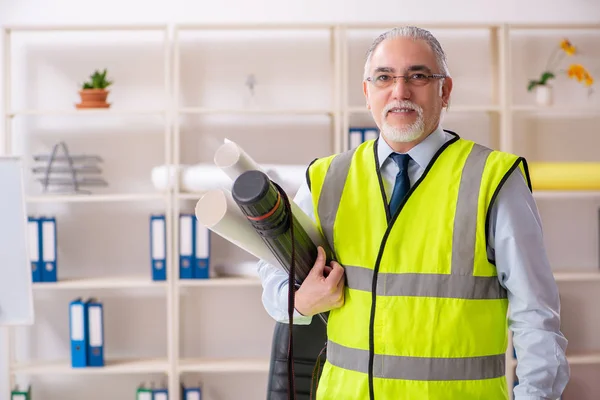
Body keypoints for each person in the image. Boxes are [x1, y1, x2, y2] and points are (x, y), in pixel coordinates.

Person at [257, 26, 570, 400]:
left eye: (418, 76)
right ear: (367, 92)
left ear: (445, 90)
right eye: (384, 77)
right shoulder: (325, 179)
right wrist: (299, 302)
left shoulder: (493, 179)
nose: (400, 91)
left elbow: (536, 317)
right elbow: (274, 272)